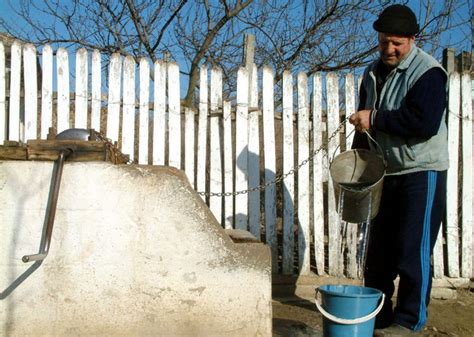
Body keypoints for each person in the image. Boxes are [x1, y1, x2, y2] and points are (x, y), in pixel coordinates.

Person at [349, 4, 448, 335]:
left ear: (412, 39)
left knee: (411, 250)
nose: (389, 49)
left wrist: (374, 118)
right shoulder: (372, 73)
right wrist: (356, 166)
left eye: (397, 43)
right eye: (383, 42)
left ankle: (408, 321)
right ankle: (378, 315)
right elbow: (364, 127)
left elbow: (424, 122)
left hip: (421, 171)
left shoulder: (428, 73)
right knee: (378, 253)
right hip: (384, 173)